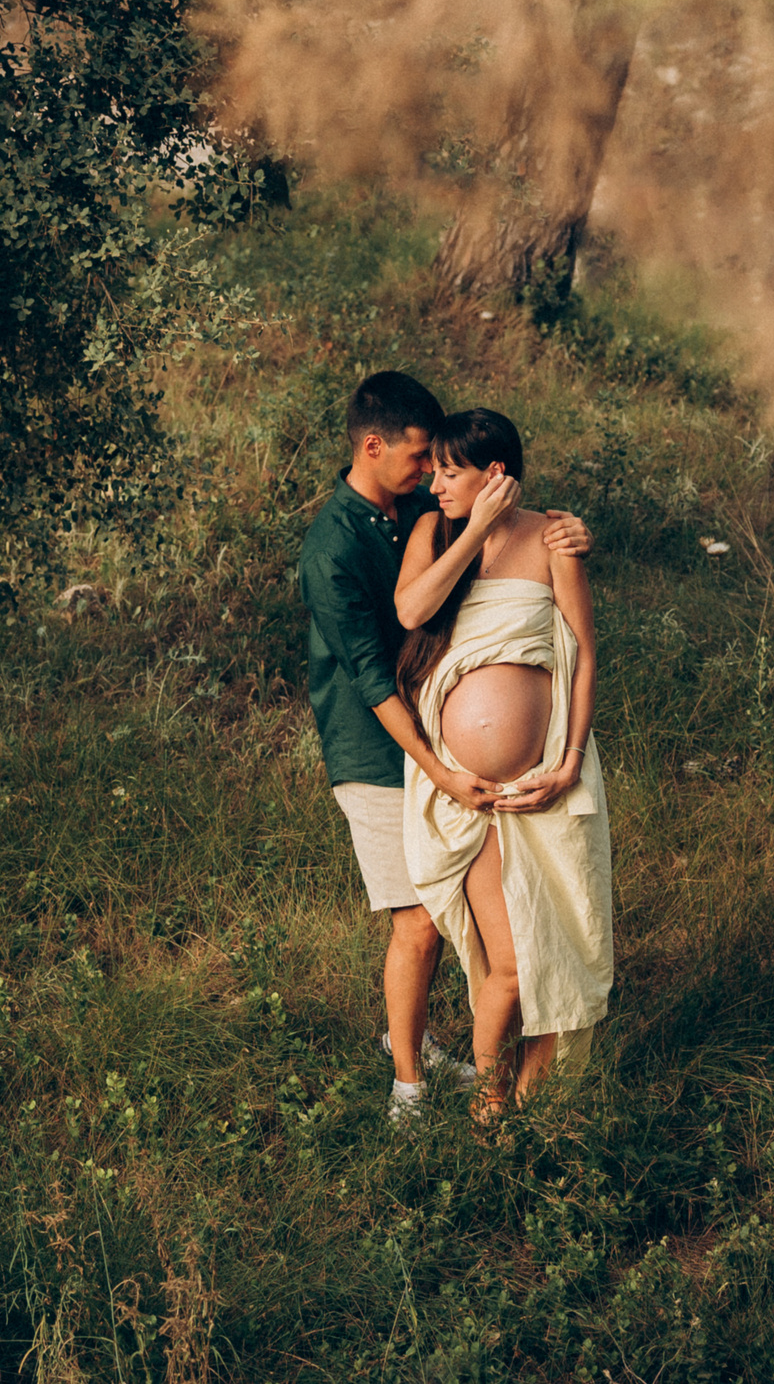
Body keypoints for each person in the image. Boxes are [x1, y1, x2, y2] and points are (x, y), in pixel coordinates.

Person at [299, 373, 592, 1123]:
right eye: (422, 458)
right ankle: (409, 1086)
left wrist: (569, 528)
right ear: (374, 447)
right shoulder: (334, 545)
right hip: (380, 745)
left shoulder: (423, 506)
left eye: (440, 462)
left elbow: (515, 542)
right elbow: (373, 670)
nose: (431, 472)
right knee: (418, 920)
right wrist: (440, 770)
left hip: (451, 748)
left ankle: (429, 1045)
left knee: (466, 928)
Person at [394, 408, 612, 1114]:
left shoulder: (553, 537)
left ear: (492, 474)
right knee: (512, 965)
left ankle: (513, 1112)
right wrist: (476, 529)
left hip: (545, 779)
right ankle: (491, 1106)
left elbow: (581, 656)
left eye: (449, 472)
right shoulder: (435, 533)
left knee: (557, 949)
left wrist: (570, 759)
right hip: (471, 793)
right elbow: (412, 609)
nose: (434, 486)